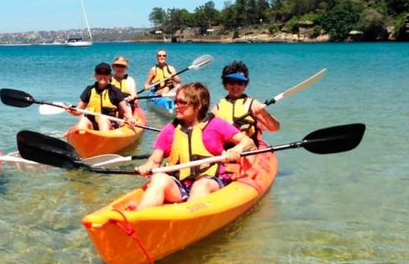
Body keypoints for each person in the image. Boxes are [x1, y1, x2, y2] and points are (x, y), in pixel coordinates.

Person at [128, 82, 255, 210]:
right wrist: (146, 167)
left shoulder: (216, 125)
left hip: (210, 181)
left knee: (201, 185)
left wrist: (236, 149)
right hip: (180, 185)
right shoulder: (170, 129)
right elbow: (155, 160)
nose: (176, 106)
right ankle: (139, 215)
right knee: (159, 178)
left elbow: (248, 142)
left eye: (182, 102)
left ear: (199, 105)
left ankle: (187, 218)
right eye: (175, 102)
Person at [213, 61, 280, 145]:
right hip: (226, 152)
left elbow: (275, 128)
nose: (236, 86)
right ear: (226, 84)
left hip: (248, 150)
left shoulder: (252, 104)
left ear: (245, 86)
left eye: (240, 82)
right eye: (232, 82)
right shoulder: (217, 108)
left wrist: (264, 113)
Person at [70, 62, 132, 131]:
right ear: (95, 75)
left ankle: (104, 139)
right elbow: (78, 111)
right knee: (83, 120)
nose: (103, 76)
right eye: (99, 73)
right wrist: (70, 110)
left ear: (110, 76)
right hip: (92, 123)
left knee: (102, 119)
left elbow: (125, 112)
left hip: (109, 124)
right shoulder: (89, 90)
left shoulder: (115, 91)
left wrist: (130, 119)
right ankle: (81, 138)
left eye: (106, 74)